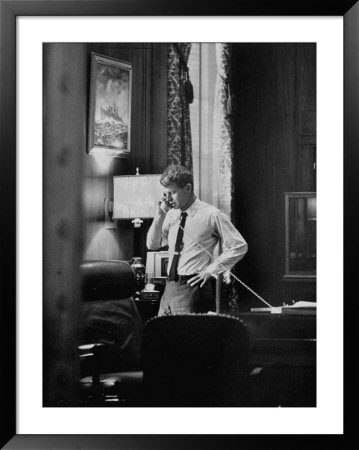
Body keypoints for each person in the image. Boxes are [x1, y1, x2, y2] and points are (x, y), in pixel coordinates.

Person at [146, 164, 248, 315]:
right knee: (163, 336)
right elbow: (152, 245)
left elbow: (239, 246)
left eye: (173, 193)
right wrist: (160, 215)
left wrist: (211, 270)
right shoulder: (171, 215)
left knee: (189, 337)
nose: (168, 199)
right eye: (165, 194)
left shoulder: (211, 214)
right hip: (169, 288)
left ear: (188, 188)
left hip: (192, 288)